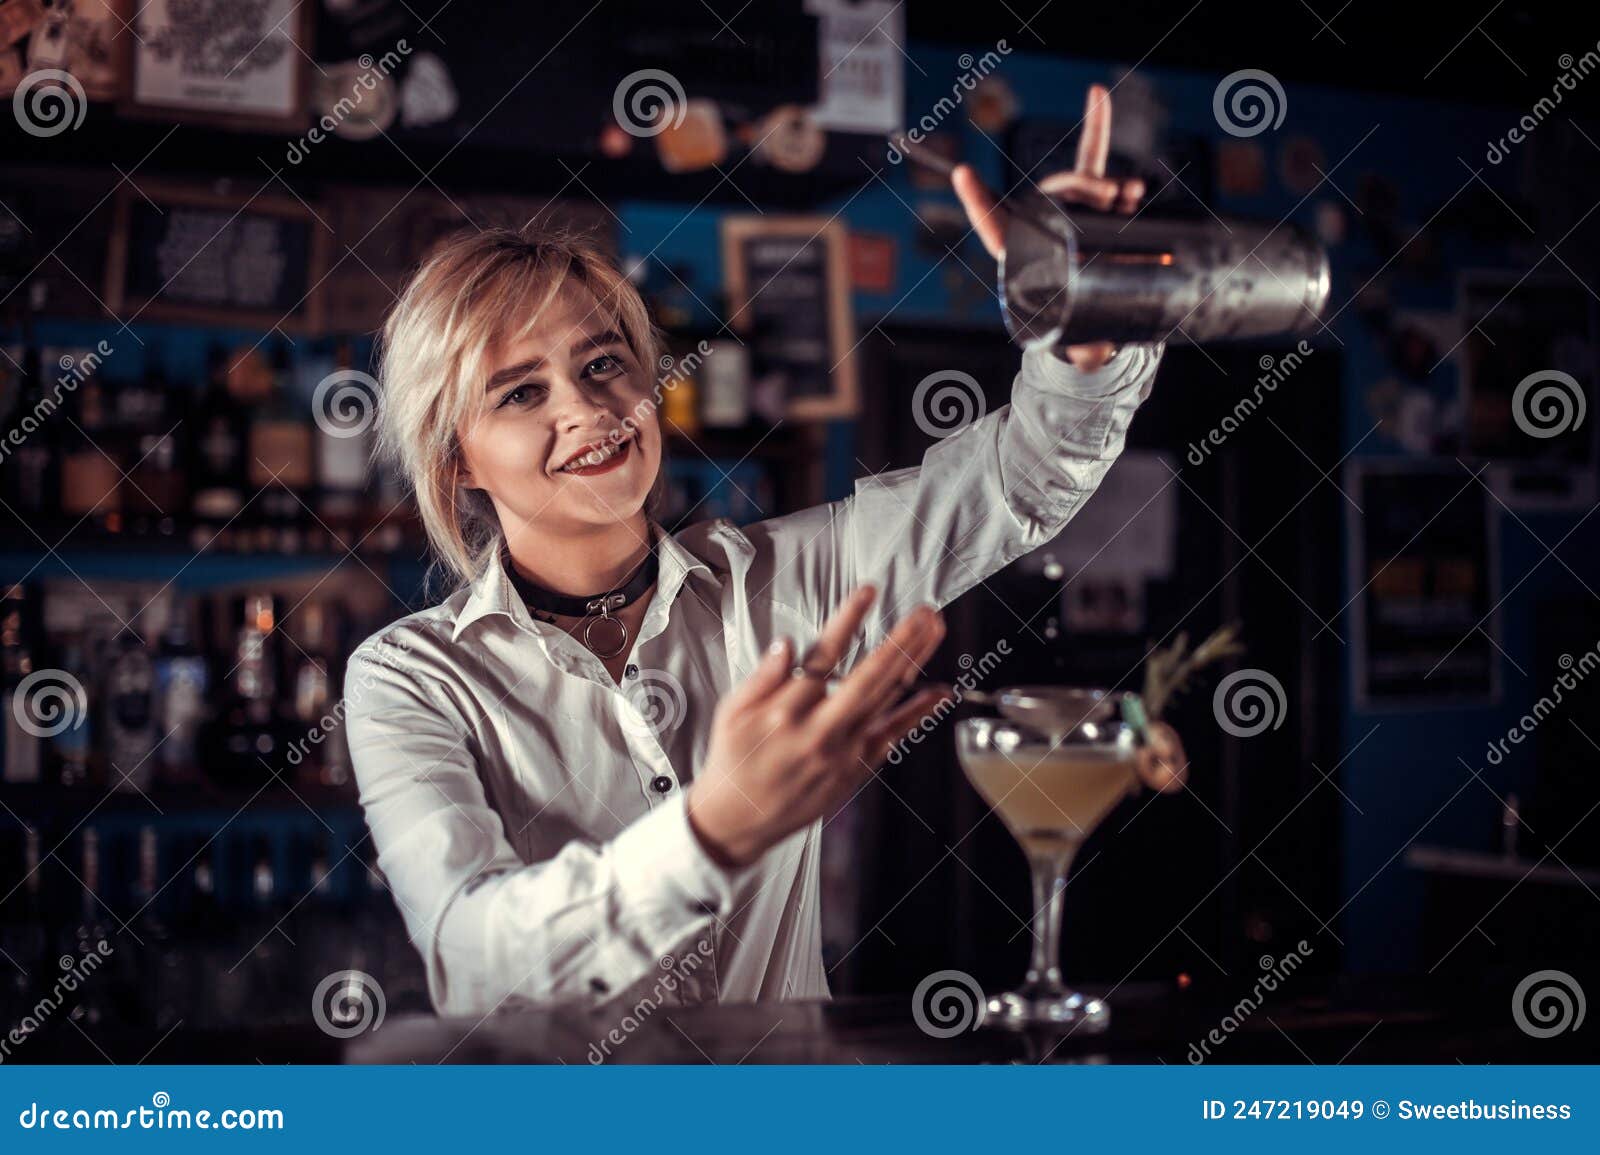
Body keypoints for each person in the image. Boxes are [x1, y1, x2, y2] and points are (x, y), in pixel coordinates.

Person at [344, 85, 1188, 1017]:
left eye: (601, 364)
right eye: (518, 393)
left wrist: (1084, 325)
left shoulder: (795, 579)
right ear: (456, 459)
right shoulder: (408, 677)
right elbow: (473, 955)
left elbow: (1023, 480)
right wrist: (718, 827)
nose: (586, 408)